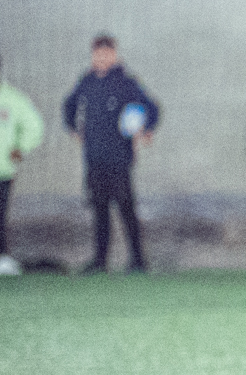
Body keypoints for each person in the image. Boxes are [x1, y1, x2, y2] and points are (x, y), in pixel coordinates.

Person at [62, 35, 160, 274]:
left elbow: (152, 107)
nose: (102, 58)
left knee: (126, 209)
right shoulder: (86, 81)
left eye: (107, 54)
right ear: (92, 55)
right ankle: (100, 261)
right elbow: (69, 105)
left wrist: (146, 129)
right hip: (94, 158)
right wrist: (74, 128)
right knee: (99, 210)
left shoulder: (127, 82)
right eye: (98, 54)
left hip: (119, 159)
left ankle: (138, 260)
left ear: (114, 55)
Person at [0, 54, 45, 275]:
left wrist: (21, 147)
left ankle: (2, 258)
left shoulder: (12, 98)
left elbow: (34, 126)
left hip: (2, 170)